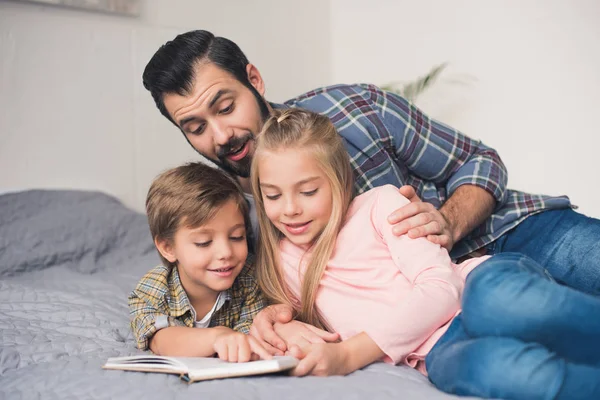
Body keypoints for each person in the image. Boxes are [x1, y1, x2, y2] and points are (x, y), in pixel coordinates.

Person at [141, 29, 600, 346]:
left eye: (225, 106)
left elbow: (480, 161)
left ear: (254, 80)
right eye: (195, 126)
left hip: (506, 233)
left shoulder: (355, 109)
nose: (220, 136)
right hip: (435, 324)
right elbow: (203, 292)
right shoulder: (227, 216)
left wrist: (449, 221)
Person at [250, 108, 600, 399]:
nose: (290, 209)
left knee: (503, 302)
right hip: (438, 353)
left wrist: (349, 354)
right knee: (510, 373)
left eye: (308, 191)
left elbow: (441, 288)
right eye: (273, 195)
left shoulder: (380, 206)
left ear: (341, 181)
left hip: (473, 290)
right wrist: (280, 327)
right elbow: (281, 323)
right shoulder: (283, 263)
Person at [128, 162, 271, 362]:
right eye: (204, 243)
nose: (225, 253)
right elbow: (160, 341)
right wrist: (216, 337)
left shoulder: (250, 280)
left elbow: (252, 336)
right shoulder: (154, 290)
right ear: (168, 248)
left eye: (237, 237)